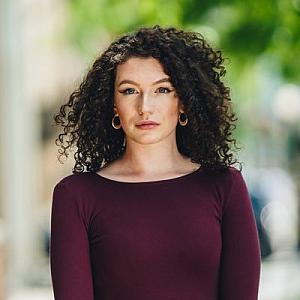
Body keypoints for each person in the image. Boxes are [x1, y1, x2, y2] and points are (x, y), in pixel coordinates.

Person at [50, 24, 261, 300]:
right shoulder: (76, 196)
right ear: (112, 105)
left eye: (161, 90)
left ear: (183, 101)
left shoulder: (225, 187)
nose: (144, 106)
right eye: (129, 91)